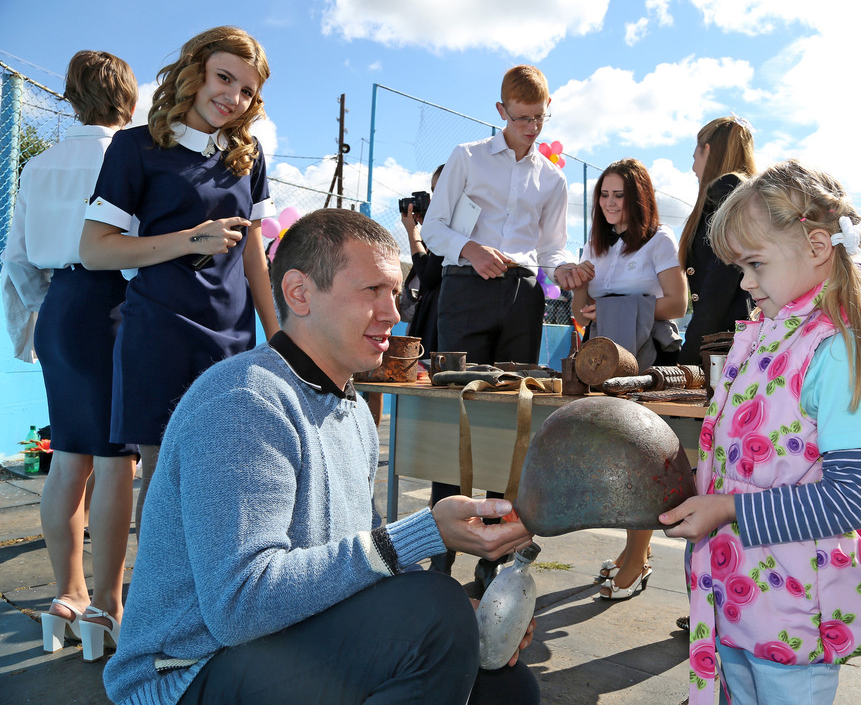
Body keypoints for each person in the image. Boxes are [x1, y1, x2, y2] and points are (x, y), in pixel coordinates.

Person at [102, 208, 539, 705]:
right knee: (434, 613)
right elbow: (240, 606)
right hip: (187, 674)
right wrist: (424, 536)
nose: (394, 313)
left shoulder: (350, 406)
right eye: (371, 290)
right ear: (299, 293)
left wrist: (472, 614)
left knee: (506, 685)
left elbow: (357, 559)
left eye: (394, 292)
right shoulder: (244, 401)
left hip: (275, 644)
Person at [660, 160, 861, 705]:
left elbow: (854, 498)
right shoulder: (766, 338)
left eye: (754, 264)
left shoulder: (841, 353)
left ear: (818, 247)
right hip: (740, 598)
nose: (745, 282)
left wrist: (728, 510)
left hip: (794, 618)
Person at [79, 27, 279, 547]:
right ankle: (156, 613)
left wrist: (280, 338)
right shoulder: (135, 147)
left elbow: (255, 255)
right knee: (165, 479)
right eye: (224, 78)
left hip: (232, 342)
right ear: (194, 72)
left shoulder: (249, 156)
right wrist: (191, 238)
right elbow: (95, 249)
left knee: (226, 483)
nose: (233, 99)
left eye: (247, 91)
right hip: (159, 334)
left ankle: (215, 608)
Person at [420, 64, 590, 585]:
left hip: (522, 295)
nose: (531, 127)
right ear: (500, 112)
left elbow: (551, 248)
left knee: (512, 415)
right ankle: (441, 551)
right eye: (521, 118)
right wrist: (469, 248)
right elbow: (432, 228)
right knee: (459, 413)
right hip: (465, 291)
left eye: (539, 118)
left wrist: (563, 268)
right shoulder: (466, 157)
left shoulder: (553, 177)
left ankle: (492, 557)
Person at [0, 50, 139, 658]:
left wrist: (38, 315)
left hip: (61, 306)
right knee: (116, 462)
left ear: (70, 97)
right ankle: (107, 608)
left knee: (68, 459)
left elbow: (19, 258)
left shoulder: (39, 164)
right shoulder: (132, 155)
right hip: (115, 307)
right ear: (129, 99)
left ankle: (68, 595)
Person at [570, 159, 687, 599]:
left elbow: (676, 304)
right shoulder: (596, 245)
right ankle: (630, 552)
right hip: (603, 362)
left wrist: (617, 307)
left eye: (619, 195)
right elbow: (584, 310)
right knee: (618, 455)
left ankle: (637, 560)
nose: (609, 203)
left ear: (638, 199)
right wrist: (577, 280)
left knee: (642, 458)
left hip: (646, 362)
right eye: (604, 194)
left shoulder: (659, 240)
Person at [677, 116, 758, 366]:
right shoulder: (747, 194)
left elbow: (716, 290)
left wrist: (689, 357)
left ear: (707, 150)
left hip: (721, 348)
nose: (693, 168)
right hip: (739, 339)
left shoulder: (726, 191)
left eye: (695, 157)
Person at [401, 164, 445, 354]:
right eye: (433, 192)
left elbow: (429, 277)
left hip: (440, 316)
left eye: (441, 189)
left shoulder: (459, 223)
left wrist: (412, 231)